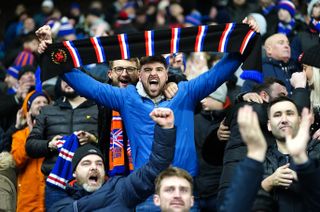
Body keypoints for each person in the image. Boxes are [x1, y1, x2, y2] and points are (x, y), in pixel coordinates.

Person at [48, 107, 176, 211]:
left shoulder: (121, 188)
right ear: (74, 173)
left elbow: (155, 168)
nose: (94, 167)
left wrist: (165, 130)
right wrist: (108, 196)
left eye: (99, 164)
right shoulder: (60, 205)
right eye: (86, 163)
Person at [25, 78, 98, 209]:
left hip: (89, 181)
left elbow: (111, 141)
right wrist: (49, 145)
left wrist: (93, 139)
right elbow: (30, 146)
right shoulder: (48, 110)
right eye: (64, 78)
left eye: (72, 77)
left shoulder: (98, 108)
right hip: (56, 185)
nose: (67, 81)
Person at [252, 96, 320, 211]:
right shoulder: (258, 160)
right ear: (269, 125)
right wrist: (268, 183)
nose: (284, 120)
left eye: (289, 113)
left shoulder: (317, 151)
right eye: (277, 115)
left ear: (300, 120)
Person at [11, 90, 50, 212]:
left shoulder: (55, 131)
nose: (42, 104)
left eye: (45, 102)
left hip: (51, 199)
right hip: (28, 202)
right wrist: (31, 135)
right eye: (37, 102)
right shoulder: (20, 135)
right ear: (29, 109)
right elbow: (16, 161)